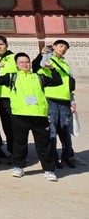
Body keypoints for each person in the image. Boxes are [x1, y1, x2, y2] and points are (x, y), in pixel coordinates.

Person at [0, 53, 63, 181]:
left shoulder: (39, 77)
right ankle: (18, 167)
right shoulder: (12, 77)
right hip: (20, 115)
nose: (25, 64)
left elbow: (57, 81)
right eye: (21, 62)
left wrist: (52, 69)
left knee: (44, 145)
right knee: (19, 144)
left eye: (27, 62)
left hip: (39, 115)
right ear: (16, 65)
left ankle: (49, 170)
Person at [33, 40, 77, 169]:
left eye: (65, 47)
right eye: (61, 46)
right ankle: (53, 158)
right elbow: (36, 67)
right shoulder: (47, 58)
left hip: (64, 100)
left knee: (65, 131)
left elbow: (69, 85)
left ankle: (66, 157)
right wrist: (42, 54)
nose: (63, 49)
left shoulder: (65, 64)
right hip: (50, 99)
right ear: (54, 47)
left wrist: (72, 101)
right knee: (51, 130)